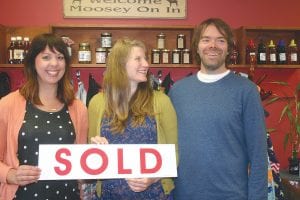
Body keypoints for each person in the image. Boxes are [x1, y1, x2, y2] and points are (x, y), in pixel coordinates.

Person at [169, 18, 268, 200]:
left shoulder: (246, 91)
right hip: (184, 195)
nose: (212, 45)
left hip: (232, 195)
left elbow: (259, 155)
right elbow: (166, 143)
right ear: (197, 47)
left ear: (229, 48)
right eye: (206, 39)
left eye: (220, 40)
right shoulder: (178, 91)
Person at [0, 33, 88, 200]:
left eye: (60, 57)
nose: (54, 63)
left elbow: (80, 167)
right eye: (46, 57)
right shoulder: (7, 104)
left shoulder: (78, 108)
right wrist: (9, 174)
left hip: (68, 195)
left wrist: (98, 157)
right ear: (33, 61)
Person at [88, 38, 178, 200]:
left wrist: (153, 178)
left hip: (154, 195)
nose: (146, 64)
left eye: (145, 58)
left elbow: (174, 153)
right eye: (138, 59)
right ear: (120, 64)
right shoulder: (97, 102)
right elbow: (90, 159)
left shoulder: (161, 101)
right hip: (109, 196)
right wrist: (95, 148)